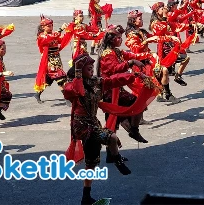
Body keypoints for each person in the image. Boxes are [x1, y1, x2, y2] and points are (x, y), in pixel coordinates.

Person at [63, 54, 133, 205]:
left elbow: (114, 80)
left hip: (93, 123)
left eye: (91, 67)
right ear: (79, 70)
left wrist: (132, 76)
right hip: (81, 126)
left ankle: (85, 197)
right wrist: (77, 74)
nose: (92, 70)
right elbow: (78, 91)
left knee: (91, 163)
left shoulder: (96, 82)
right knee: (111, 137)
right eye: (88, 68)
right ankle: (117, 160)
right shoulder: (70, 85)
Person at [98, 26, 155, 143]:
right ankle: (133, 130)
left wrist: (147, 57)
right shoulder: (107, 53)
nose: (121, 40)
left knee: (115, 119)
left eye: (121, 38)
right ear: (111, 40)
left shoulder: (116, 51)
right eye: (118, 38)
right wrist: (131, 63)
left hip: (117, 88)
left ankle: (114, 151)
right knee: (134, 104)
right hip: (110, 90)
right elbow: (114, 69)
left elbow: (132, 55)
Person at [125, 10, 180, 104]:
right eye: (140, 19)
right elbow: (136, 51)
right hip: (140, 64)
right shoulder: (132, 35)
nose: (142, 20)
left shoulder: (142, 32)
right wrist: (146, 43)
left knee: (164, 71)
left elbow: (155, 37)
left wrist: (171, 38)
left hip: (148, 60)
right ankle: (137, 115)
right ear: (133, 21)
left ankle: (167, 94)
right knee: (140, 91)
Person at [150, 2, 193, 86]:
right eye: (162, 9)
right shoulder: (154, 23)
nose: (164, 10)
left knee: (185, 58)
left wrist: (191, 25)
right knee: (164, 72)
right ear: (156, 11)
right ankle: (163, 93)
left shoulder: (166, 20)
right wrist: (165, 16)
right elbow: (161, 31)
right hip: (162, 50)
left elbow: (177, 25)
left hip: (170, 47)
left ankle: (178, 76)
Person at [34, 15, 73, 103]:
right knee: (61, 78)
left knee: (49, 79)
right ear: (43, 27)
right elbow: (52, 37)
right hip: (49, 61)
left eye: (51, 25)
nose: (51, 27)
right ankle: (67, 99)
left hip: (57, 60)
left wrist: (69, 31)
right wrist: (60, 29)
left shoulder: (53, 34)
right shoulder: (42, 36)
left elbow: (61, 39)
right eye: (49, 26)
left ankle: (37, 93)